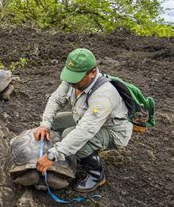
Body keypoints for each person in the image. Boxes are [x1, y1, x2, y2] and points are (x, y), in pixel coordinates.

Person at [34, 48, 133, 192]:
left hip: (112, 130)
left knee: (70, 134)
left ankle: (97, 175)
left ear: (92, 72)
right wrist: (45, 123)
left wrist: (53, 155)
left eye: (76, 78)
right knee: (54, 122)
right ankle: (74, 151)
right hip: (84, 118)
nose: (71, 81)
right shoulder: (72, 80)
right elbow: (55, 99)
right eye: (70, 75)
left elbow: (84, 131)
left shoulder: (104, 96)